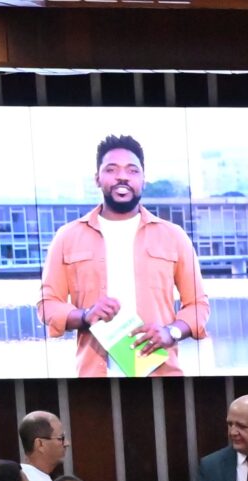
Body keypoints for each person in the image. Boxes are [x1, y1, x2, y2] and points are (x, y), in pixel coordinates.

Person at [36, 132, 209, 378]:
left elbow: (198, 305)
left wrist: (172, 332)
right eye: (111, 169)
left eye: (132, 170)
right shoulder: (67, 237)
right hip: (93, 381)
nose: (122, 177)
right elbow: (47, 305)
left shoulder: (174, 236)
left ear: (143, 179)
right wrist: (85, 316)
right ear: (97, 178)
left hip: (162, 376)